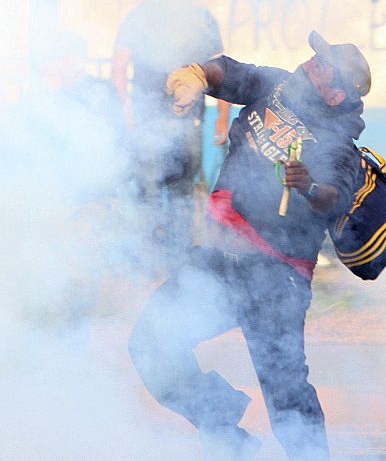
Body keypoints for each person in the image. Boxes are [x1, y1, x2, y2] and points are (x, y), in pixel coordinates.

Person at [128, 30, 370, 461]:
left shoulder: (339, 144)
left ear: (337, 95)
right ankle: (225, 428)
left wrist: (308, 185)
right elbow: (231, 73)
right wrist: (197, 75)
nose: (309, 63)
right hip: (219, 262)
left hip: (277, 280)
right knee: (150, 343)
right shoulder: (276, 85)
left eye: (322, 65)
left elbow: (334, 196)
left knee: (287, 397)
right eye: (315, 56)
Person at [112, 0, 230, 270]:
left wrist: (222, 115)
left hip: (190, 119)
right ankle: (150, 258)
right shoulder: (141, 16)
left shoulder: (202, 19)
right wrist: (125, 108)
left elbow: (220, 69)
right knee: (148, 186)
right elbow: (120, 64)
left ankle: (179, 260)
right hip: (147, 116)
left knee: (183, 189)